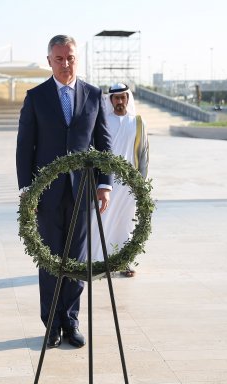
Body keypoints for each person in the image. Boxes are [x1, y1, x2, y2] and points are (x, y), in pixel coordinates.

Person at [16, 35, 112, 349]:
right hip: (47, 195)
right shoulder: (36, 97)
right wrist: (27, 193)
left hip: (83, 193)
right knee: (50, 261)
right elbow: (24, 148)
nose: (66, 64)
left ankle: (71, 321)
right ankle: (52, 324)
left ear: (76, 58)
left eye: (70, 57)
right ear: (49, 61)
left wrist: (104, 184)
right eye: (59, 59)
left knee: (77, 260)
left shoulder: (94, 95)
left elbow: (104, 145)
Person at [90, 83, 149, 277]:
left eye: (123, 97)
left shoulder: (138, 122)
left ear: (128, 99)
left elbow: (143, 155)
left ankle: (125, 262)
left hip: (130, 185)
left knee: (126, 223)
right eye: (116, 98)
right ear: (111, 100)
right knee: (103, 221)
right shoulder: (103, 122)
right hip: (107, 184)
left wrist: (141, 184)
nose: (120, 101)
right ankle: (100, 262)